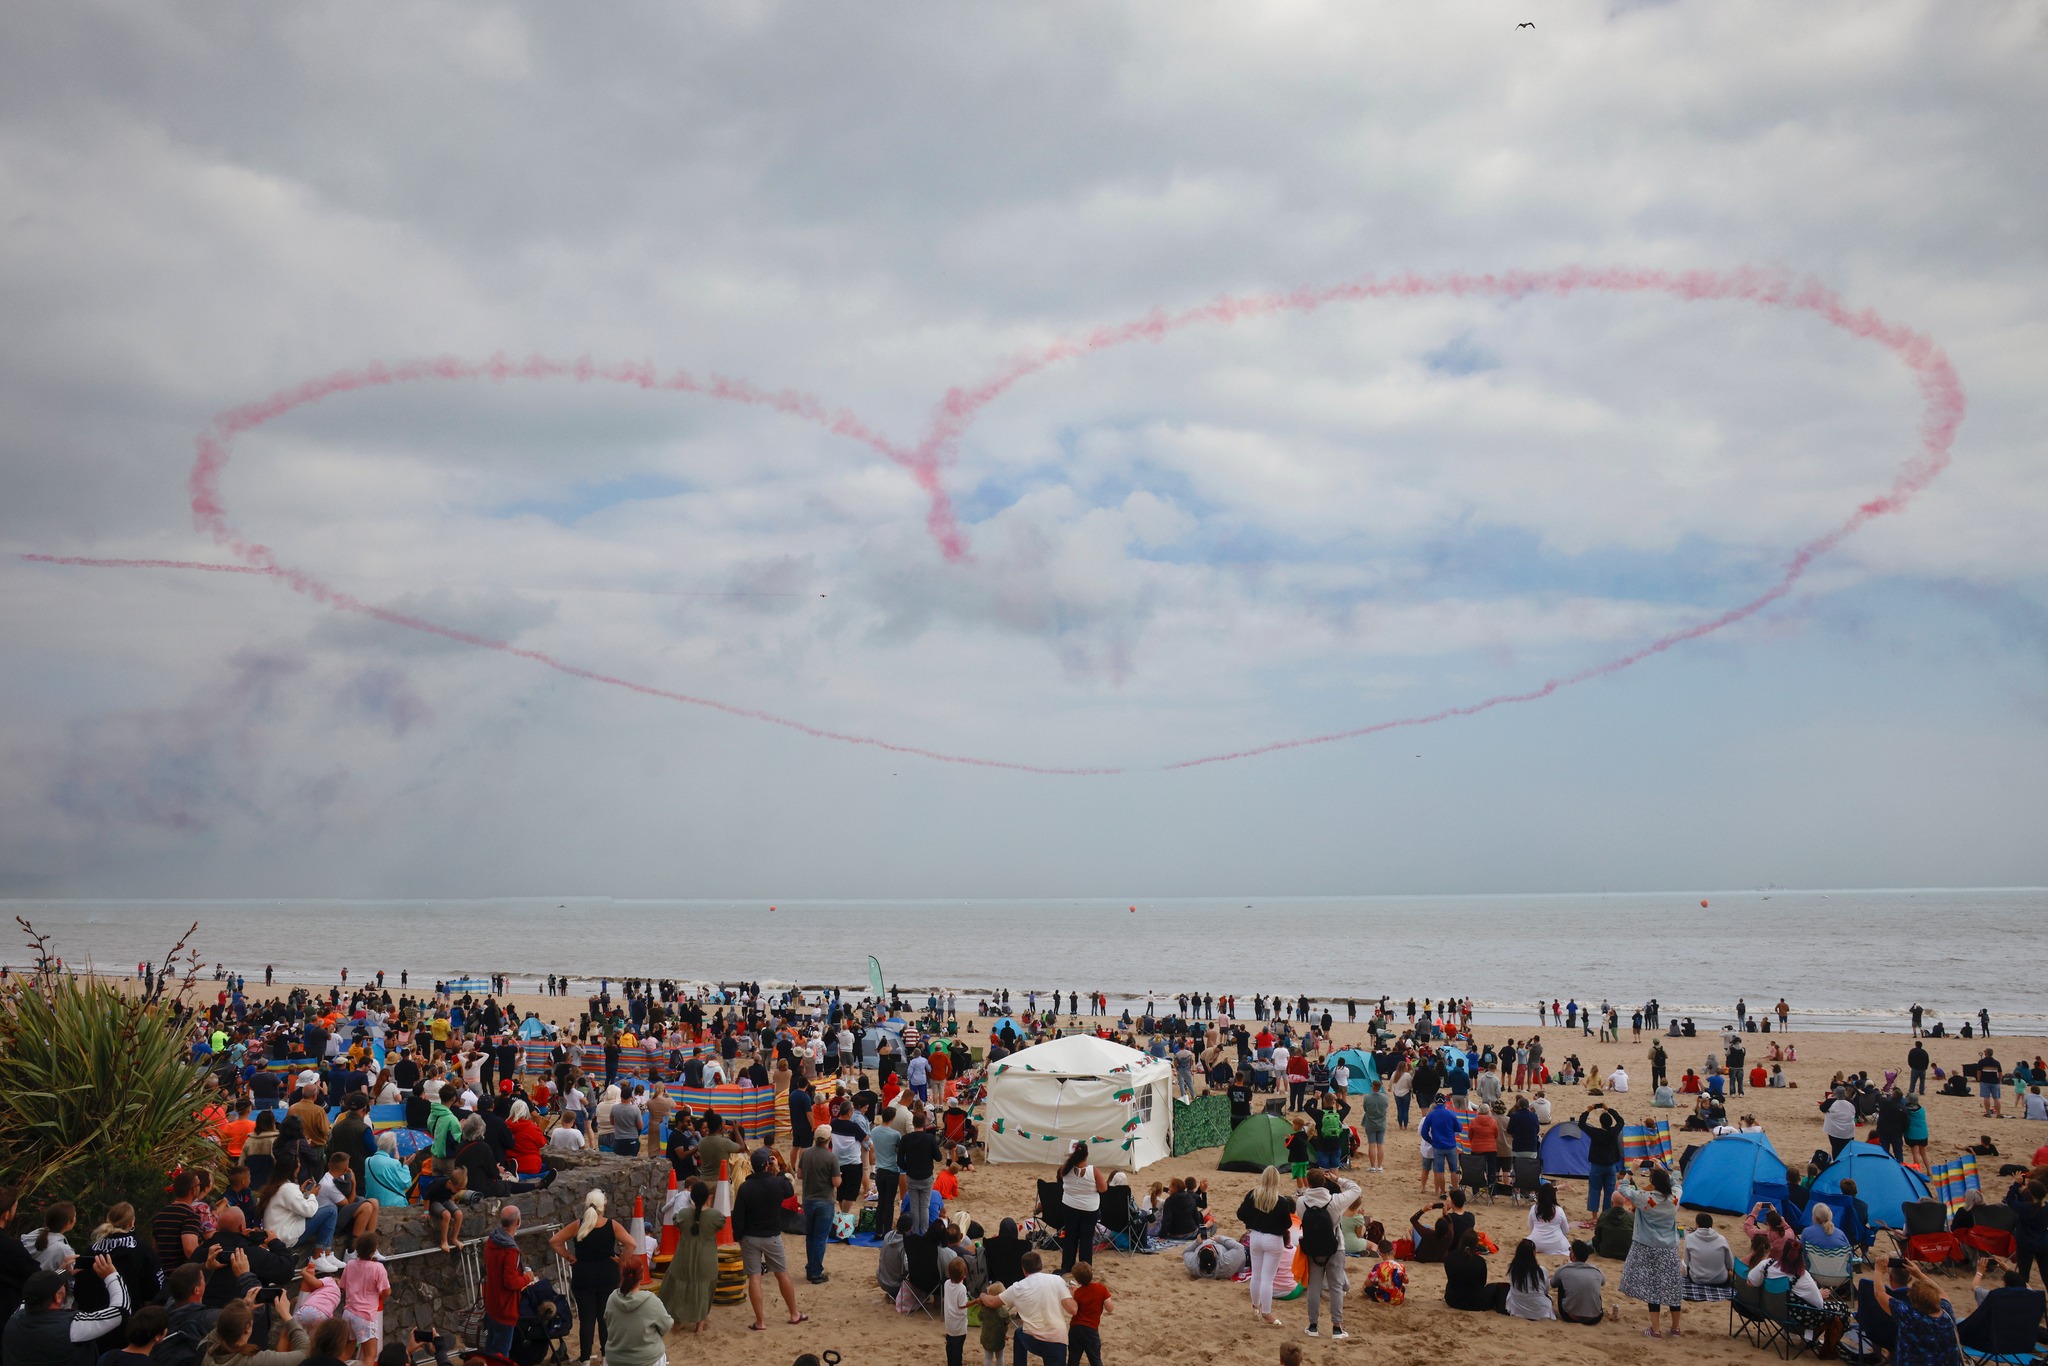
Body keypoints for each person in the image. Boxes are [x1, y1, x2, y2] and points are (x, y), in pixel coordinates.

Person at [549, 1191, 629, 1362]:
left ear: (586, 1205)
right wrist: (621, 1260)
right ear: (604, 1206)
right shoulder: (611, 1225)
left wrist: (570, 1257)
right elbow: (632, 1244)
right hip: (607, 1275)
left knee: (587, 1319)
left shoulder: (578, 1225)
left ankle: (585, 1358)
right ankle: (607, 1357)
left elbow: (554, 1241)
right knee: (604, 1318)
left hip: (583, 1275)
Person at [730, 1149, 805, 1331]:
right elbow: (789, 1190)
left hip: (750, 1236)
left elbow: (738, 1216)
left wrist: (737, 1237)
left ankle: (760, 1321)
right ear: (767, 1165)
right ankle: (794, 1313)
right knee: (782, 1274)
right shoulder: (776, 1183)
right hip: (771, 1236)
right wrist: (778, 1169)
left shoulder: (745, 1187)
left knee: (754, 1277)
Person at [3, 1263, 129, 1366]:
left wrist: (60, 1273)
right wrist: (111, 1276)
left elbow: (33, 1294)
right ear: (57, 1297)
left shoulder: (14, 1319)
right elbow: (121, 1311)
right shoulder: (71, 1327)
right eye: (63, 1286)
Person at [1617, 1166, 1684, 1337]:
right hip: (1668, 1248)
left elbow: (1623, 1189)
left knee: (1652, 1288)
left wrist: (1631, 1170)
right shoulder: (1674, 1197)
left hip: (1647, 1246)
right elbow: (1677, 1184)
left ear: (1653, 1184)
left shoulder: (1645, 1199)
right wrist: (1663, 1171)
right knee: (1672, 1287)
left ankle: (1655, 1329)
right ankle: (1675, 1328)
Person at [978, 1250, 1075, 1366]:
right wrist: (1072, 1295)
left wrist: (983, 1295)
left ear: (1023, 1270)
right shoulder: (1057, 1280)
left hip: (1033, 1339)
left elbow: (992, 1302)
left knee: (1019, 1333)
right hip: (1057, 1339)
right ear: (1041, 1266)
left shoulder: (1017, 1287)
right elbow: (1072, 1310)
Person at [1296, 1171, 1359, 1341]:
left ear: (1308, 1183)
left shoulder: (1301, 1202)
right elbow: (1356, 1189)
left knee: (1314, 1286)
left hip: (1313, 1248)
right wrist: (1337, 1179)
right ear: (1324, 1182)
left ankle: (1313, 1325)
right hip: (1335, 1246)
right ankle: (1337, 1327)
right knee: (1335, 1287)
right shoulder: (1335, 1201)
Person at [655, 1179, 722, 1335]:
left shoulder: (684, 1215)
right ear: (708, 1197)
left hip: (684, 1256)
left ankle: (677, 1322)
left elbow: (678, 1222)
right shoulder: (716, 1216)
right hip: (706, 1258)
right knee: (704, 1290)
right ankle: (700, 1323)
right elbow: (718, 1225)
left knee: (678, 1288)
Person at [1236, 1167, 1296, 1328]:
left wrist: (1253, 1220)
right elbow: (1287, 1224)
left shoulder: (1253, 1195)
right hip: (1273, 1239)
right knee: (1267, 1279)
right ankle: (1266, 1312)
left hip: (1255, 1236)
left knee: (1256, 1275)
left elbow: (1241, 1214)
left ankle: (1256, 1307)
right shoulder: (1281, 1201)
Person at [1884, 1258, 1962, 1366]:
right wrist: (1918, 1273)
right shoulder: (1946, 1311)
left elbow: (1879, 1294)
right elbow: (1940, 1291)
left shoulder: (1909, 1316)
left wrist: (1878, 1271)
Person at [481, 1206, 533, 1359]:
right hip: (506, 1306)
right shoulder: (510, 1250)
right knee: (502, 1352)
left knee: (491, 1348)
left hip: (492, 1302)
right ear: (518, 1221)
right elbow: (510, 1282)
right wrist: (527, 1278)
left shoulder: (491, 1241)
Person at [599, 1261, 670, 1366]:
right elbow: (666, 1325)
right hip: (648, 1358)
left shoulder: (612, 1298)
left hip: (615, 1358)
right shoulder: (652, 1301)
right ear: (641, 1277)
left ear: (622, 1276)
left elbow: (607, 1321)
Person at [1056, 1143, 1106, 1276]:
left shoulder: (1065, 1168)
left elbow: (1062, 1179)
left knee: (1070, 1237)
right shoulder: (1092, 1170)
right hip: (1089, 1208)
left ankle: (1067, 1266)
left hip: (1070, 1206)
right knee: (1086, 1239)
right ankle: (1085, 1268)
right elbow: (1103, 1188)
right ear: (1087, 1155)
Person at [1580, 1104, 1623, 1217]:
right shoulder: (1614, 1132)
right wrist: (1609, 1109)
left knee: (1594, 1189)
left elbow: (1581, 1124)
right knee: (1610, 1191)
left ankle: (1594, 1216)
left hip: (1597, 1165)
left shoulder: (1596, 1132)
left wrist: (1588, 1110)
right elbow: (1621, 1121)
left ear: (1601, 1122)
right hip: (1610, 1165)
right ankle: (1606, 1214)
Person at [1551, 1240, 1607, 1325]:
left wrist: (1564, 1266)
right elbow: (1603, 1282)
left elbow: (1552, 1283)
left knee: (1562, 1282)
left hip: (1569, 1316)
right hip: (1594, 1318)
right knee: (1592, 1286)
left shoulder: (1564, 1269)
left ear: (1573, 1255)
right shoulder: (1596, 1270)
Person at [1441, 1230, 1498, 1312]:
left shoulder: (1450, 1257)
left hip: (1452, 1300)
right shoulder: (1479, 1261)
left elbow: (1449, 1276)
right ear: (1476, 1245)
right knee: (1494, 1287)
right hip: (1474, 1303)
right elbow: (1482, 1283)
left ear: (1461, 1242)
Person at [1067, 1262, 1111, 1366]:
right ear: (1091, 1273)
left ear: (1077, 1280)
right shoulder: (1101, 1289)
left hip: (1075, 1328)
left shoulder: (1078, 1292)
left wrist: (1072, 1295)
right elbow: (1110, 1308)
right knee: (1095, 1358)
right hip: (1091, 1329)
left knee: (1073, 1358)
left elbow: (1074, 1309)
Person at [1502, 1238, 1556, 1320]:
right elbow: (1545, 1290)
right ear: (1533, 1253)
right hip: (1541, 1312)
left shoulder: (1512, 1268)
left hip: (1517, 1309)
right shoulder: (1541, 1271)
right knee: (1548, 1299)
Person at [1417, 1097, 1460, 1197]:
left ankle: (1442, 1192)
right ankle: (1455, 1190)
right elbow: (1459, 1128)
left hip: (1438, 1146)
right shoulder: (1451, 1113)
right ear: (1444, 1103)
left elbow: (1424, 1131)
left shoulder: (1431, 1115)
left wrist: (1431, 1141)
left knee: (1440, 1170)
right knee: (1454, 1169)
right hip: (1450, 1145)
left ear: (1436, 1103)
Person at [942, 1259, 972, 1366]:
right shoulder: (961, 1288)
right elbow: (962, 1304)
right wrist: (975, 1302)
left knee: (950, 1347)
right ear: (963, 1276)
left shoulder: (946, 1283)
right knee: (957, 1351)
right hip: (959, 1327)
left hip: (949, 1324)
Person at [1528, 1183, 1572, 1256]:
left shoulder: (1534, 1208)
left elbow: (1530, 1227)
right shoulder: (1558, 1210)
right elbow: (1566, 1229)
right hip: (1556, 1244)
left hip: (1536, 1243)